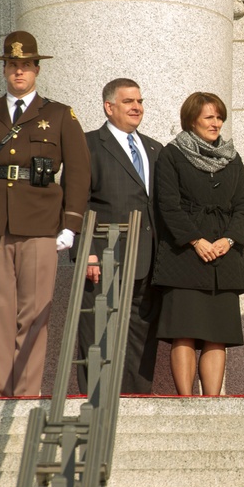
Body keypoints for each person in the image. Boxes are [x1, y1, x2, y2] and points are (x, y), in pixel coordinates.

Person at [0, 31, 90, 397]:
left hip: (42, 224)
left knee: (34, 313)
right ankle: (1, 392)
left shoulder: (59, 115)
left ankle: (26, 394)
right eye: (13, 65)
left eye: (26, 65)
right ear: (5, 69)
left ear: (37, 69)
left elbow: (77, 172)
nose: (19, 72)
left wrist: (70, 225)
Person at [152, 92, 244, 395]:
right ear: (192, 119)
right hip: (184, 256)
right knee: (183, 334)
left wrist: (229, 239)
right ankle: (185, 401)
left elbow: (243, 205)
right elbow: (167, 205)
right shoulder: (171, 155)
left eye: (219, 117)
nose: (217, 123)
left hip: (224, 257)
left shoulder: (232, 158)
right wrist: (196, 240)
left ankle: (212, 403)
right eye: (210, 117)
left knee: (216, 335)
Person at [75, 78, 161, 395]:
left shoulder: (154, 148)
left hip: (147, 262)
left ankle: (136, 401)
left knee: (141, 339)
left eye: (139, 101)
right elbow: (77, 201)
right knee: (98, 333)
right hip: (105, 257)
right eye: (128, 101)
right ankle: (97, 402)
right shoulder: (87, 145)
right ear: (109, 107)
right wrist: (87, 251)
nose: (137, 107)